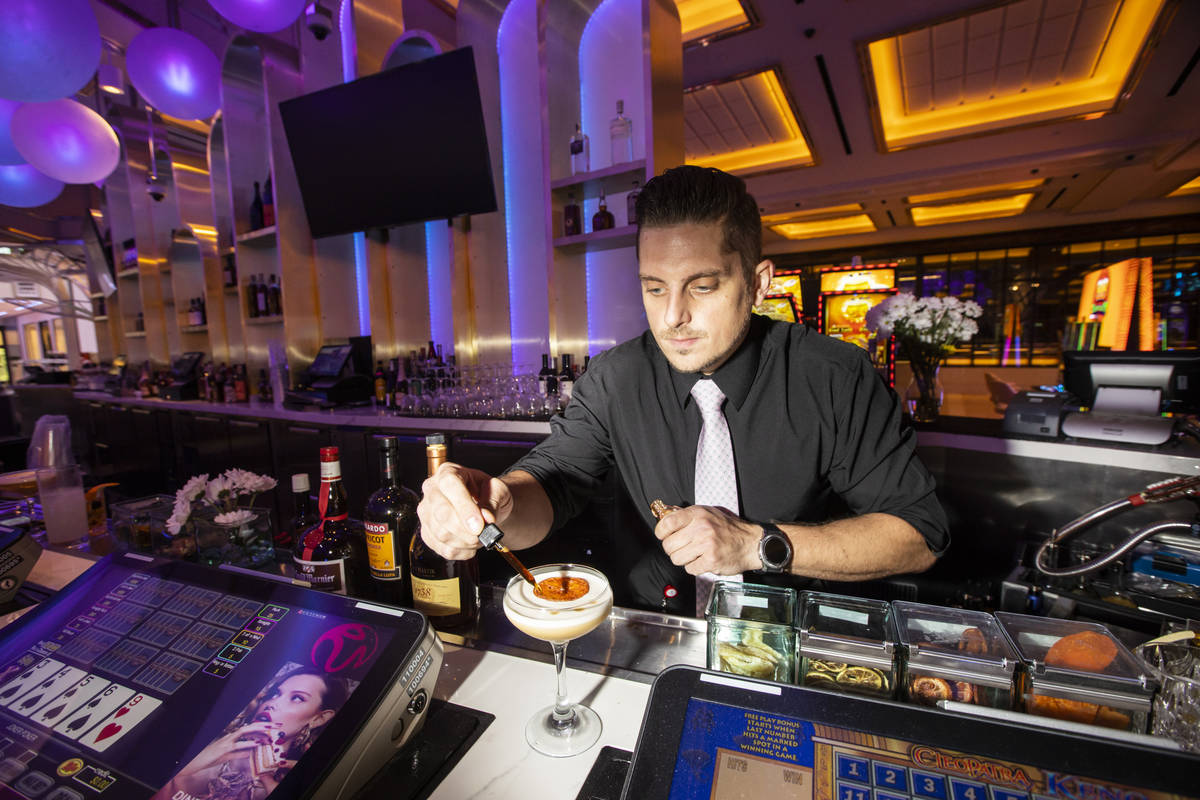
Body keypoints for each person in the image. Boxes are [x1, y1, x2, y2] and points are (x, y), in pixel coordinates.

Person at [417, 165, 948, 614]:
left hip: (794, 636)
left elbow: (918, 535)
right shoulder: (615, 379)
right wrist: (502, 504)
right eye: (655, 288)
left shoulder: (832, 376)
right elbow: (551, 485)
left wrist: (755, 544)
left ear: (759, 284)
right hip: (658, 629)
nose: (673, 318)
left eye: (702, 286)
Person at [153, 666, 349, 800]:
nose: (273, 703)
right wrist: (190, 767)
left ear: (318, 718)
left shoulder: (293, 784)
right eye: (275, 694)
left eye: (297, 698)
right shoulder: (204, 758)